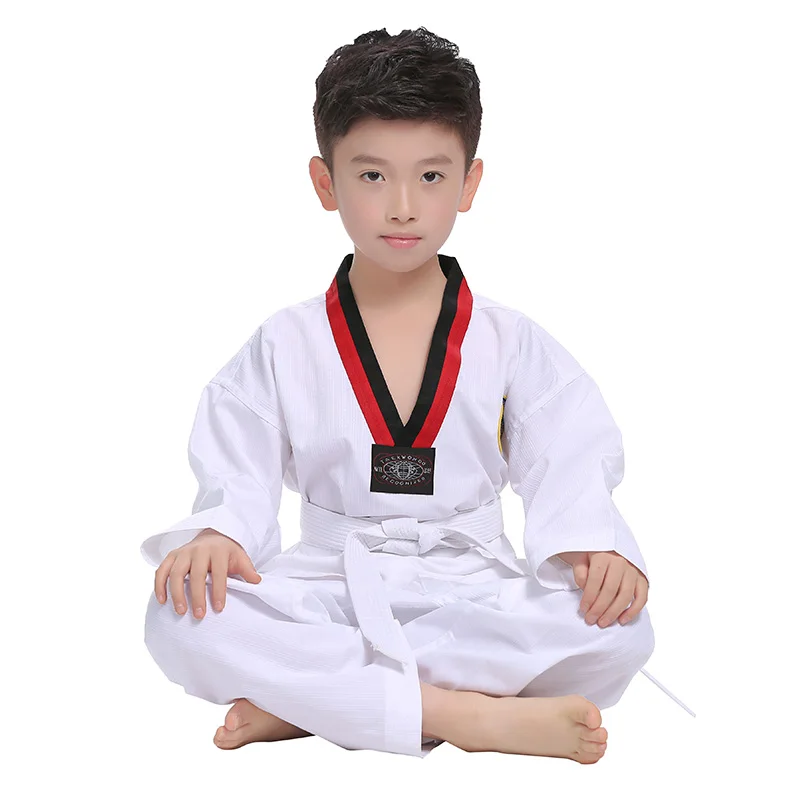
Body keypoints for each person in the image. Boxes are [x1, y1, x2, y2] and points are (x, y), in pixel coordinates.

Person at [140, 26, 692, 763]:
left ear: (469, 183)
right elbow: (236, 472)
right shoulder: (284, 341)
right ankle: (463, 713)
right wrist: (221, 535)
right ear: (325, 183)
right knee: (178, 619)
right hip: (330, 579)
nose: (402, 206)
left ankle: (316, 701)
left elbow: (568, 454)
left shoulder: (509, 339)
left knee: (621, 632)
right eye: (372, 176)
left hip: (471, 584)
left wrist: (592, 545)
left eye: (431, 177)